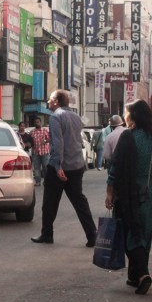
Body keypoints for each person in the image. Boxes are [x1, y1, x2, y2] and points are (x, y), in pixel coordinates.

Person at [106, 100, 152, 294]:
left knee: (131, 235)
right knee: (143, 234)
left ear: (133, 116)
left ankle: (143, 274)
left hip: (131, 193)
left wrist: (110, 192)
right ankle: (134, 276)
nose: (125, 116)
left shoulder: (128, 137)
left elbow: (116, 167)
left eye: (126, 113)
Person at [31, 90, 97, 247]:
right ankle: (92, 235)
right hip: (76, 165)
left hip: (60, 167)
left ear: (56, 101)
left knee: (49, 203)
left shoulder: (56, 117)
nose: (48, 102)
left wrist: (58, 166)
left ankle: (47, 234)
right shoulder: (76, 117)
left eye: (50, 99)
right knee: (80, 202)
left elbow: (58, 144)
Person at [29, 116, 50, 186]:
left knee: (45, 167)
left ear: (41, 123)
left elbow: (50, 139)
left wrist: (45, 141)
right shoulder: (32, 132)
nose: (36, 123)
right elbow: (30, 142)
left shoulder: (45, 130)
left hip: (45, 152)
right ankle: (38, 181)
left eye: (38, 122)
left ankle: (47, 181)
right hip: (36, 153)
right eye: (35, 122)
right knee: (36, 168)